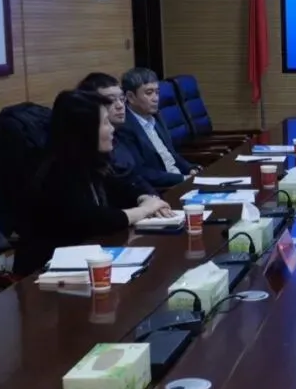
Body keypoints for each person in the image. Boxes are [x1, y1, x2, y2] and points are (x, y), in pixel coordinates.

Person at [13, 91, 171, 276]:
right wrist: (145, 210)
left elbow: (122, 186)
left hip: (88, 259)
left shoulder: (90, 161)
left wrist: (144, 197)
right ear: (84, 131)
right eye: (105, 123)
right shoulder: (56, 171)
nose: (112, 129)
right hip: (47, 272)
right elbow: (97, 220)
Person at [77, 72, 157, 197]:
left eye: (121, 99)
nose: (120, 106)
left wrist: (149, 197)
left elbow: (135, 178)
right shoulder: (89, 152)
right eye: (110, 101)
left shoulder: (119, 133)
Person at [118, 67, 199, 188]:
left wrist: (190, 168)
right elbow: (141, 172)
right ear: (130, 97)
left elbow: (171, 154)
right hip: (162, 188)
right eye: (149, 93)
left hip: (180, 180)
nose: (156, 98)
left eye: (157, 92)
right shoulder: (124, 127)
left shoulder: (156, 116)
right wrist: (183, 178)